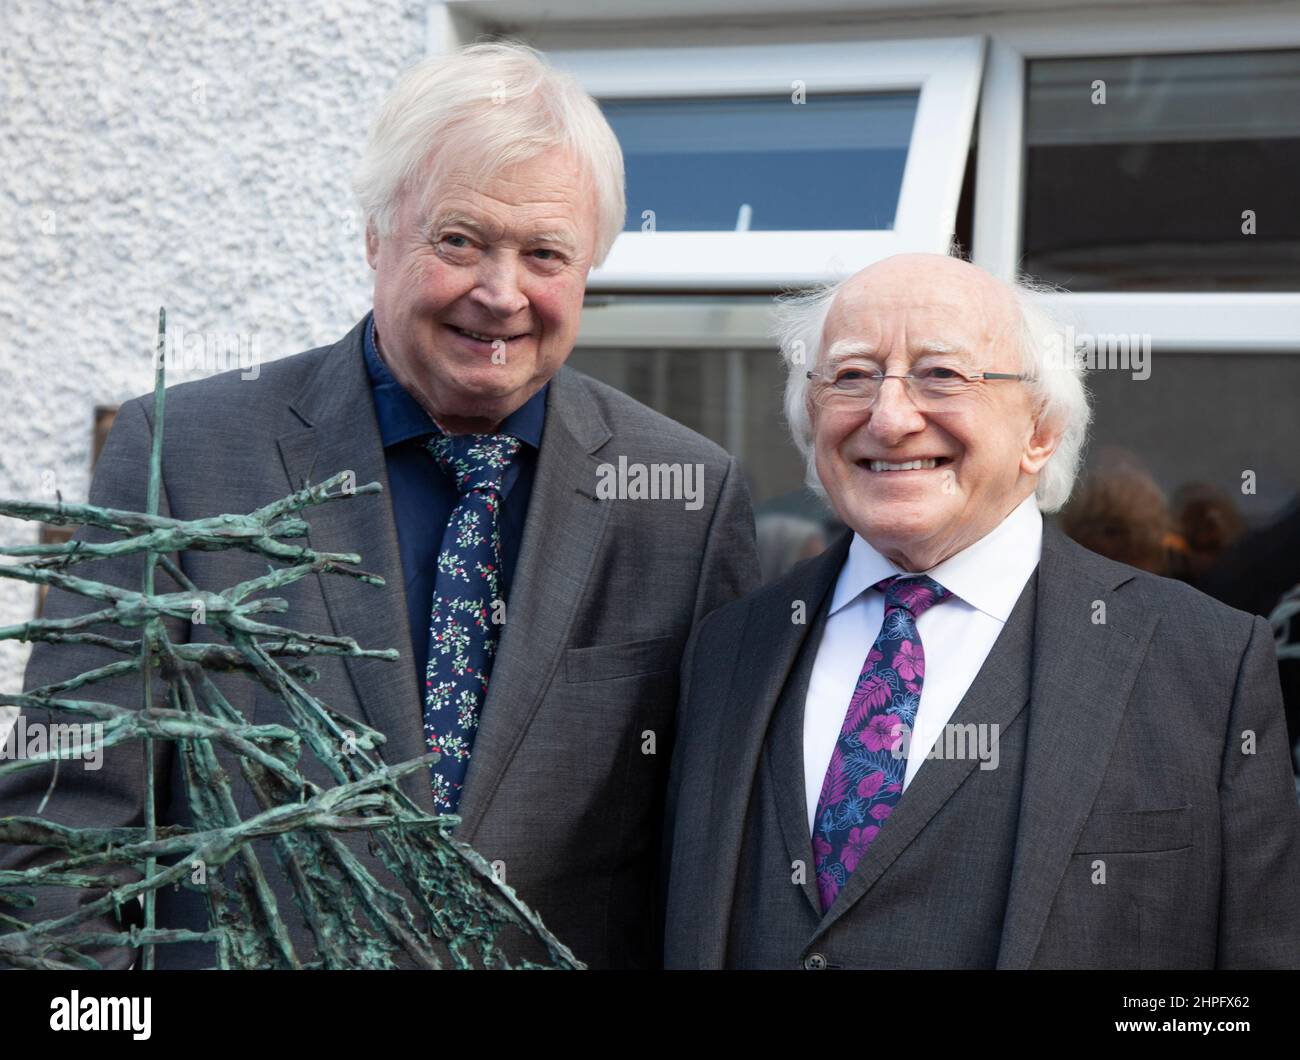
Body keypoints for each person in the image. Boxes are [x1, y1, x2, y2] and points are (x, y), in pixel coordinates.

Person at [2, 42, 760, 970]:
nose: (501, 292)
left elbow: (714, 860)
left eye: (546, 254)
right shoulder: (184, 457)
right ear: (375, 235)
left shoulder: (685, 499)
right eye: (460, 240)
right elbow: (64, 830)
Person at [661, 252, 1300, 969]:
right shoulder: (728, 646)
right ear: (811, 422)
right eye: (851, 376)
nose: (891, 416)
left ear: (1040, 431)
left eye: (941, 374)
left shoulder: (1205, 663)